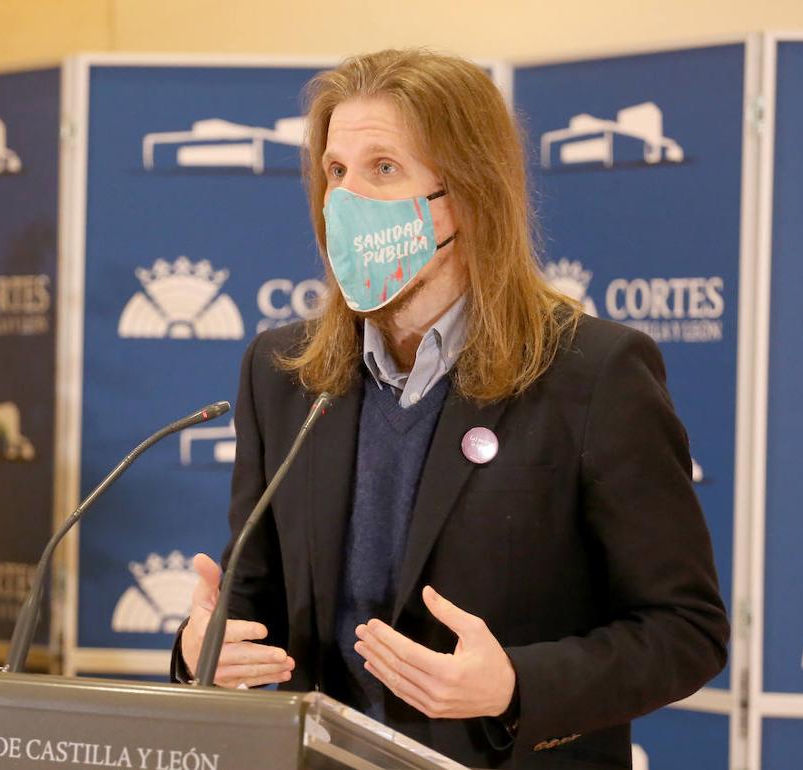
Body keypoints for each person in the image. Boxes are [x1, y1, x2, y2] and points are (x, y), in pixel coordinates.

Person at [173, 49, 728, 769]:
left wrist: (514, 686)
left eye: (383, 168)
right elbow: (252, 606)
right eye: (335, 172)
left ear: (467, 194)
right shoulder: (281, 375)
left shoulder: (595, 374)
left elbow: (686, 631)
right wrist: (202, 653)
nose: (346, 200)